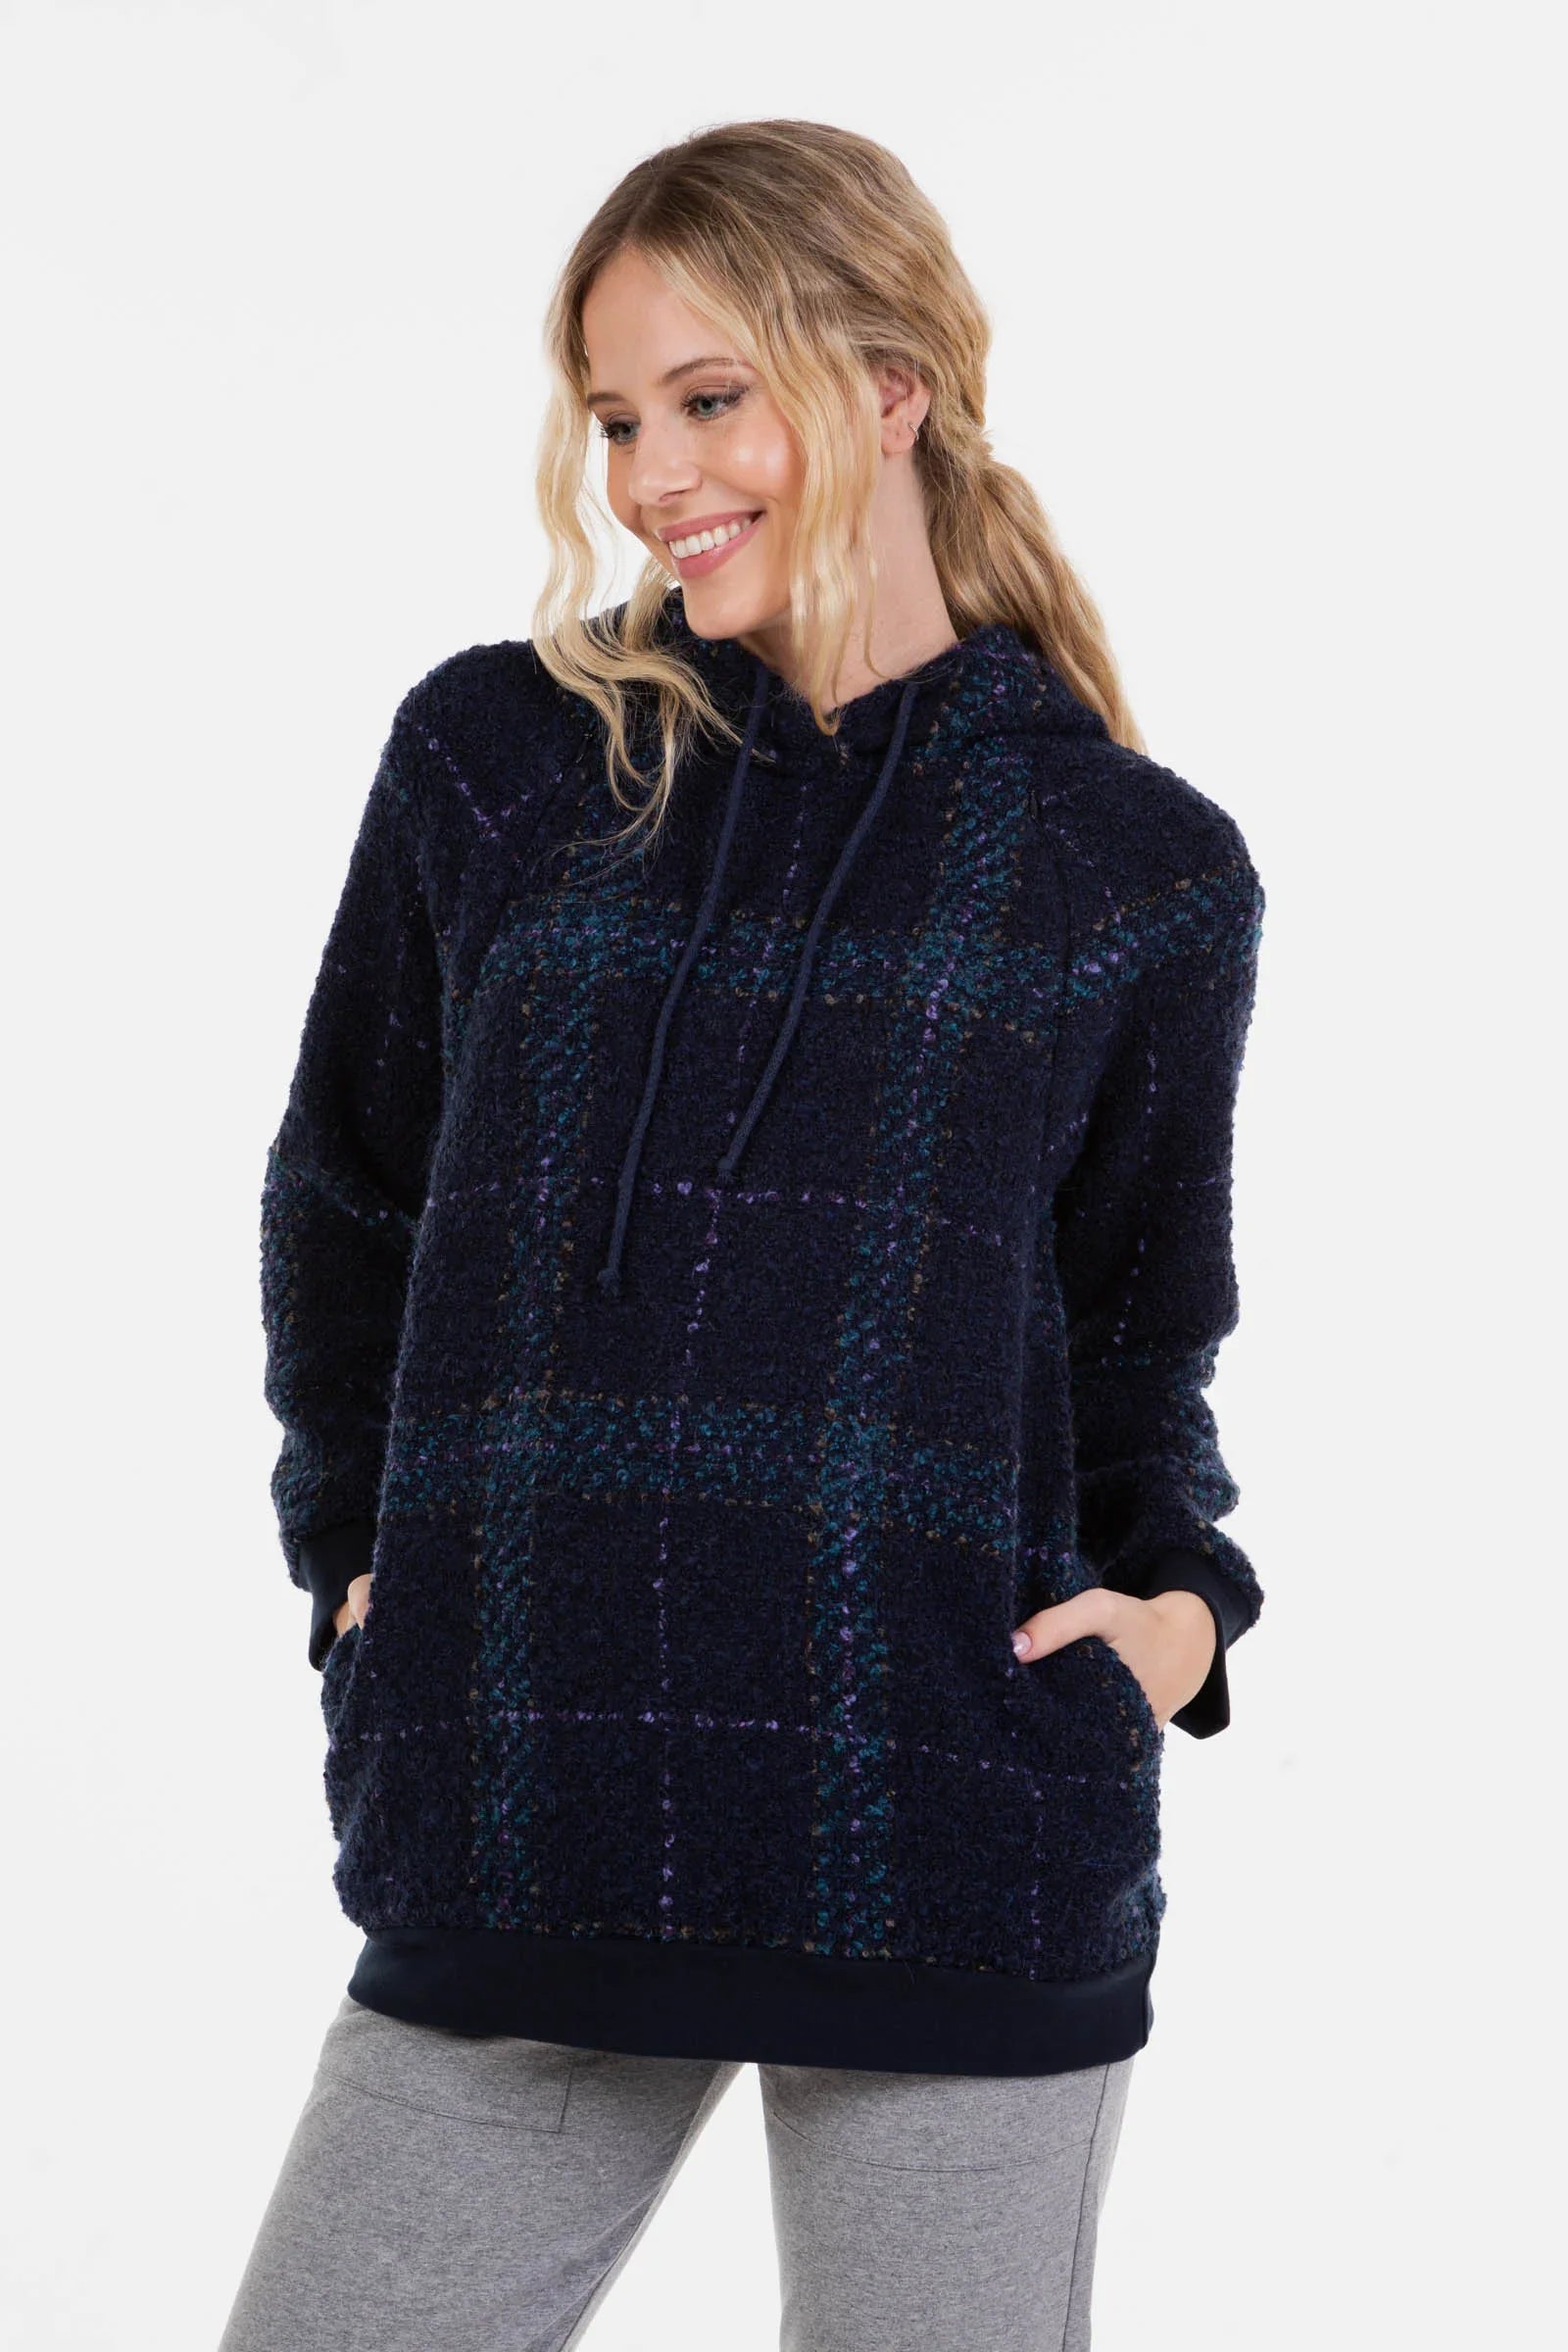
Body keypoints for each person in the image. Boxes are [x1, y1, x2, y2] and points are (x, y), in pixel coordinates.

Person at [222, 117, 1266, 2352]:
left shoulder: (1130, 862)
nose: (650, 477)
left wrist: (1177, 1619)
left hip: (952, 1825)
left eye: (710, 400)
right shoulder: (504, 759)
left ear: (890, 388)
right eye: (615, 418)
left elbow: (1132, 1337)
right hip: (526, 1790)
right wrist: (360, 1571)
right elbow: (346, 1204)